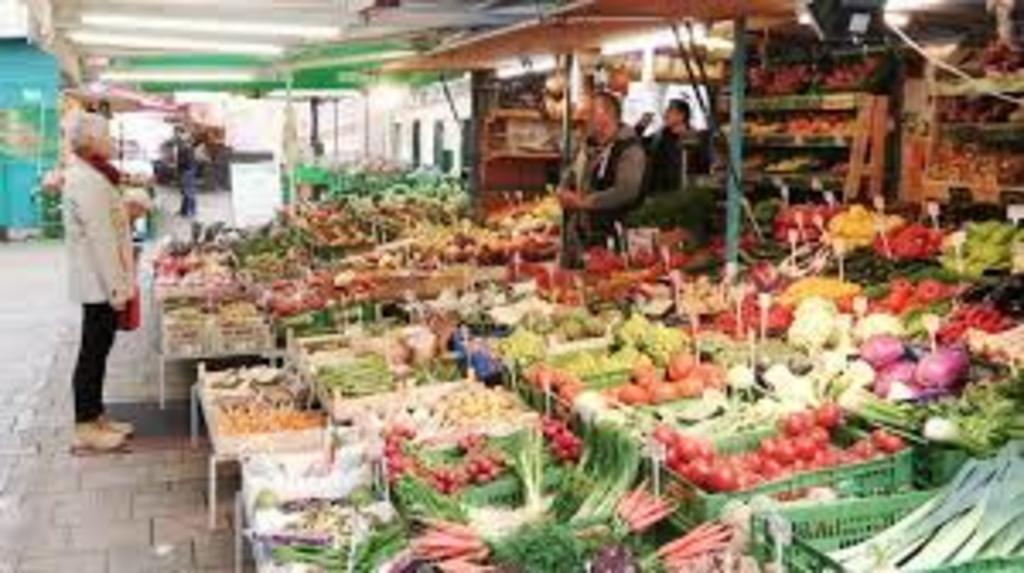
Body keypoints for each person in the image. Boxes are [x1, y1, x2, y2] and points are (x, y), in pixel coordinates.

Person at [63, 112, 136, 452]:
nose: (112, 141)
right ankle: (85, 425)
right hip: (98, 282)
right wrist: (117, 289)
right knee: (92, 351)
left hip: (99, 280)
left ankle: (96, 415)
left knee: (99, 348)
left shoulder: (93, 174)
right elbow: (101, 239)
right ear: (90, 140)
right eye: (106, 135)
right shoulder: (87, 180)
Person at [558, 91, 648, 268]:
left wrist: (584, 202)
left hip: (613, 243)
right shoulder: (588, 146)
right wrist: (563, 189)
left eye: (591, 112)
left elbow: (626, 191)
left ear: (607, 116)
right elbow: (571, 175)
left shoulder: (630, 150)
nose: (584, 117)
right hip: (582, 240)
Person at [645, 99, 710, 196]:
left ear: (681, 116)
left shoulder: (694, 138)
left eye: (670, 111)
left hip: (686, 193)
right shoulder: (659, 137)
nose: (665, 115)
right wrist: (641, 126)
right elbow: (641, 147)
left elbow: (703, 165)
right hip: (660, 193)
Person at [175, 127, 198, 218]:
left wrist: (179, 166)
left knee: (189, 191)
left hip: (187, 171)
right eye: (176, 133)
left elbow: (187, 161)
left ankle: (192, 211)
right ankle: (184, 210)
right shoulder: (183, 145)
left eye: (177, 133)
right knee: (185, 191)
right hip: (186, 170)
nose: (176, 135)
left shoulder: (186, 146)